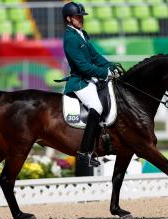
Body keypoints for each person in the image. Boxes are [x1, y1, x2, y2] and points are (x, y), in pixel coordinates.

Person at [61, 2, 120, 167]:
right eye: (78, 17)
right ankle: (84, 151)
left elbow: (95, 56)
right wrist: (104, 73)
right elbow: (82, 66)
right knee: (97, 106)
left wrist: (112, 66)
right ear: (69, 19)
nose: (81, 19)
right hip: (80, 81)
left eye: (82, 16)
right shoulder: (70, 38)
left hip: (91, 79)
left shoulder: (82, 34)